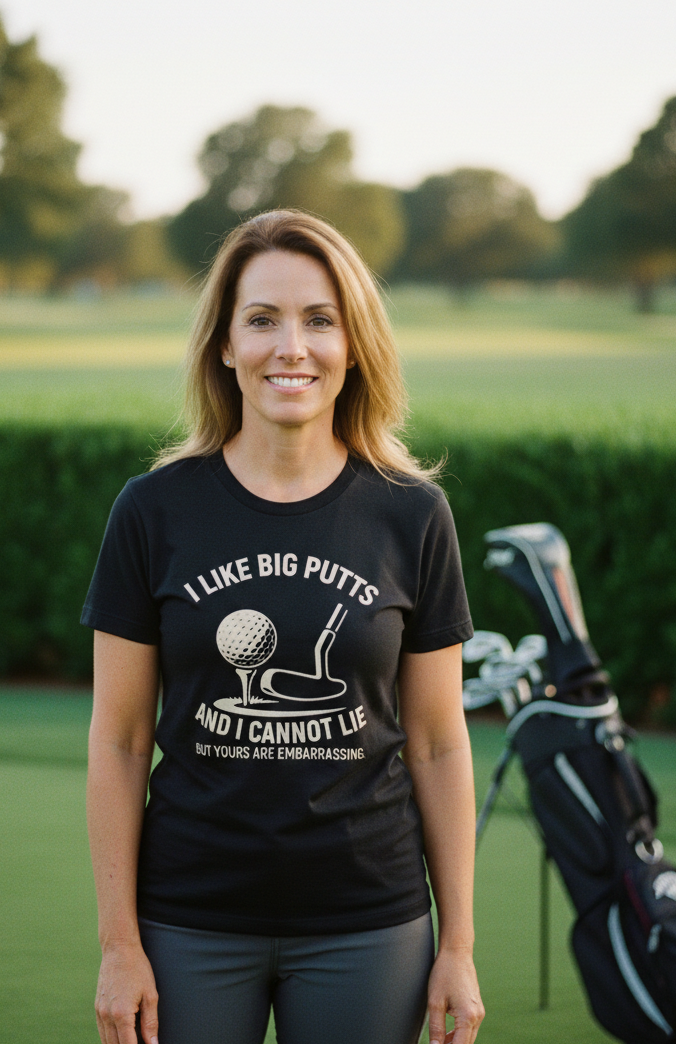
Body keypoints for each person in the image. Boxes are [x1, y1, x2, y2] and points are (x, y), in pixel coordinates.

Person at [81, 209, 484, 1044]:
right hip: (188, 919)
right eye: (261, 319)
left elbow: (440, 743)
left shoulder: (412, 515)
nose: (290, 347)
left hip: (369, 923)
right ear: (224, 345)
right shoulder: (153, 511)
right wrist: (119, 944)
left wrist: (460, 945)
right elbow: (118, 742)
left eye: (320, 320)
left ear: (353, 344)